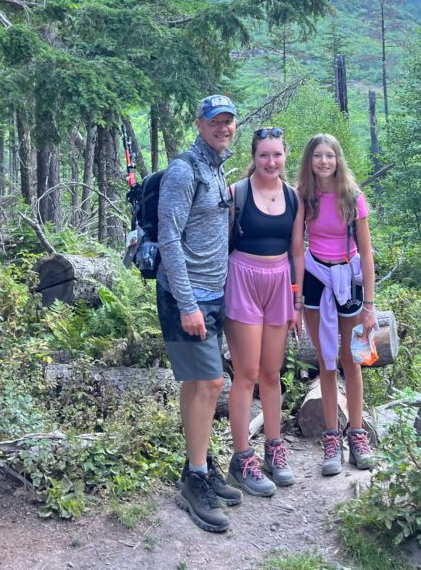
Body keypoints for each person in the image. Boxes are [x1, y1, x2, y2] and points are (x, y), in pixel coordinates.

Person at [156, 94, 243, 533]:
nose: (223, 128)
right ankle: (194, 482)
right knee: (211, 382)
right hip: (184, 296)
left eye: (229, 121)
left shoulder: (216, 166)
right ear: (199, 124)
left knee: (196, 383)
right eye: (215, 122)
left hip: (212, 294)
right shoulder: (183, 169)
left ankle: (201, 462)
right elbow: (168, 238)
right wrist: (187, 303)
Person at [223, 127, 305, 496]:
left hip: (279, 283)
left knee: (271, 373)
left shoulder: (294, 197)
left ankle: (275, 449)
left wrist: (297, 301)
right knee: (246, 373)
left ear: (286, 156)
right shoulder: (236, 194)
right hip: (242, 278)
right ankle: (242, 458)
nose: (270, 162)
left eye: (277, 155)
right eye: (263, 155)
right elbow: (218, 243)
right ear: (253, 157)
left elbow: (297, 250)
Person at [297, 133, 376, 475]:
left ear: (338, 159)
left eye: (330, 155)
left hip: (350, 282)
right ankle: (332, 438)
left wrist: (370, 306)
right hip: (315, 280)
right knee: (327, 360)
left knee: (353, 359)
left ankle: (357, 435)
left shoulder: (352, 198)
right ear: (309, 161)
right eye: (318, 156)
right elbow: (296, 249)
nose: (324, 161)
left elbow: (367, 253)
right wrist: (296, 297)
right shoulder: (304, 198)